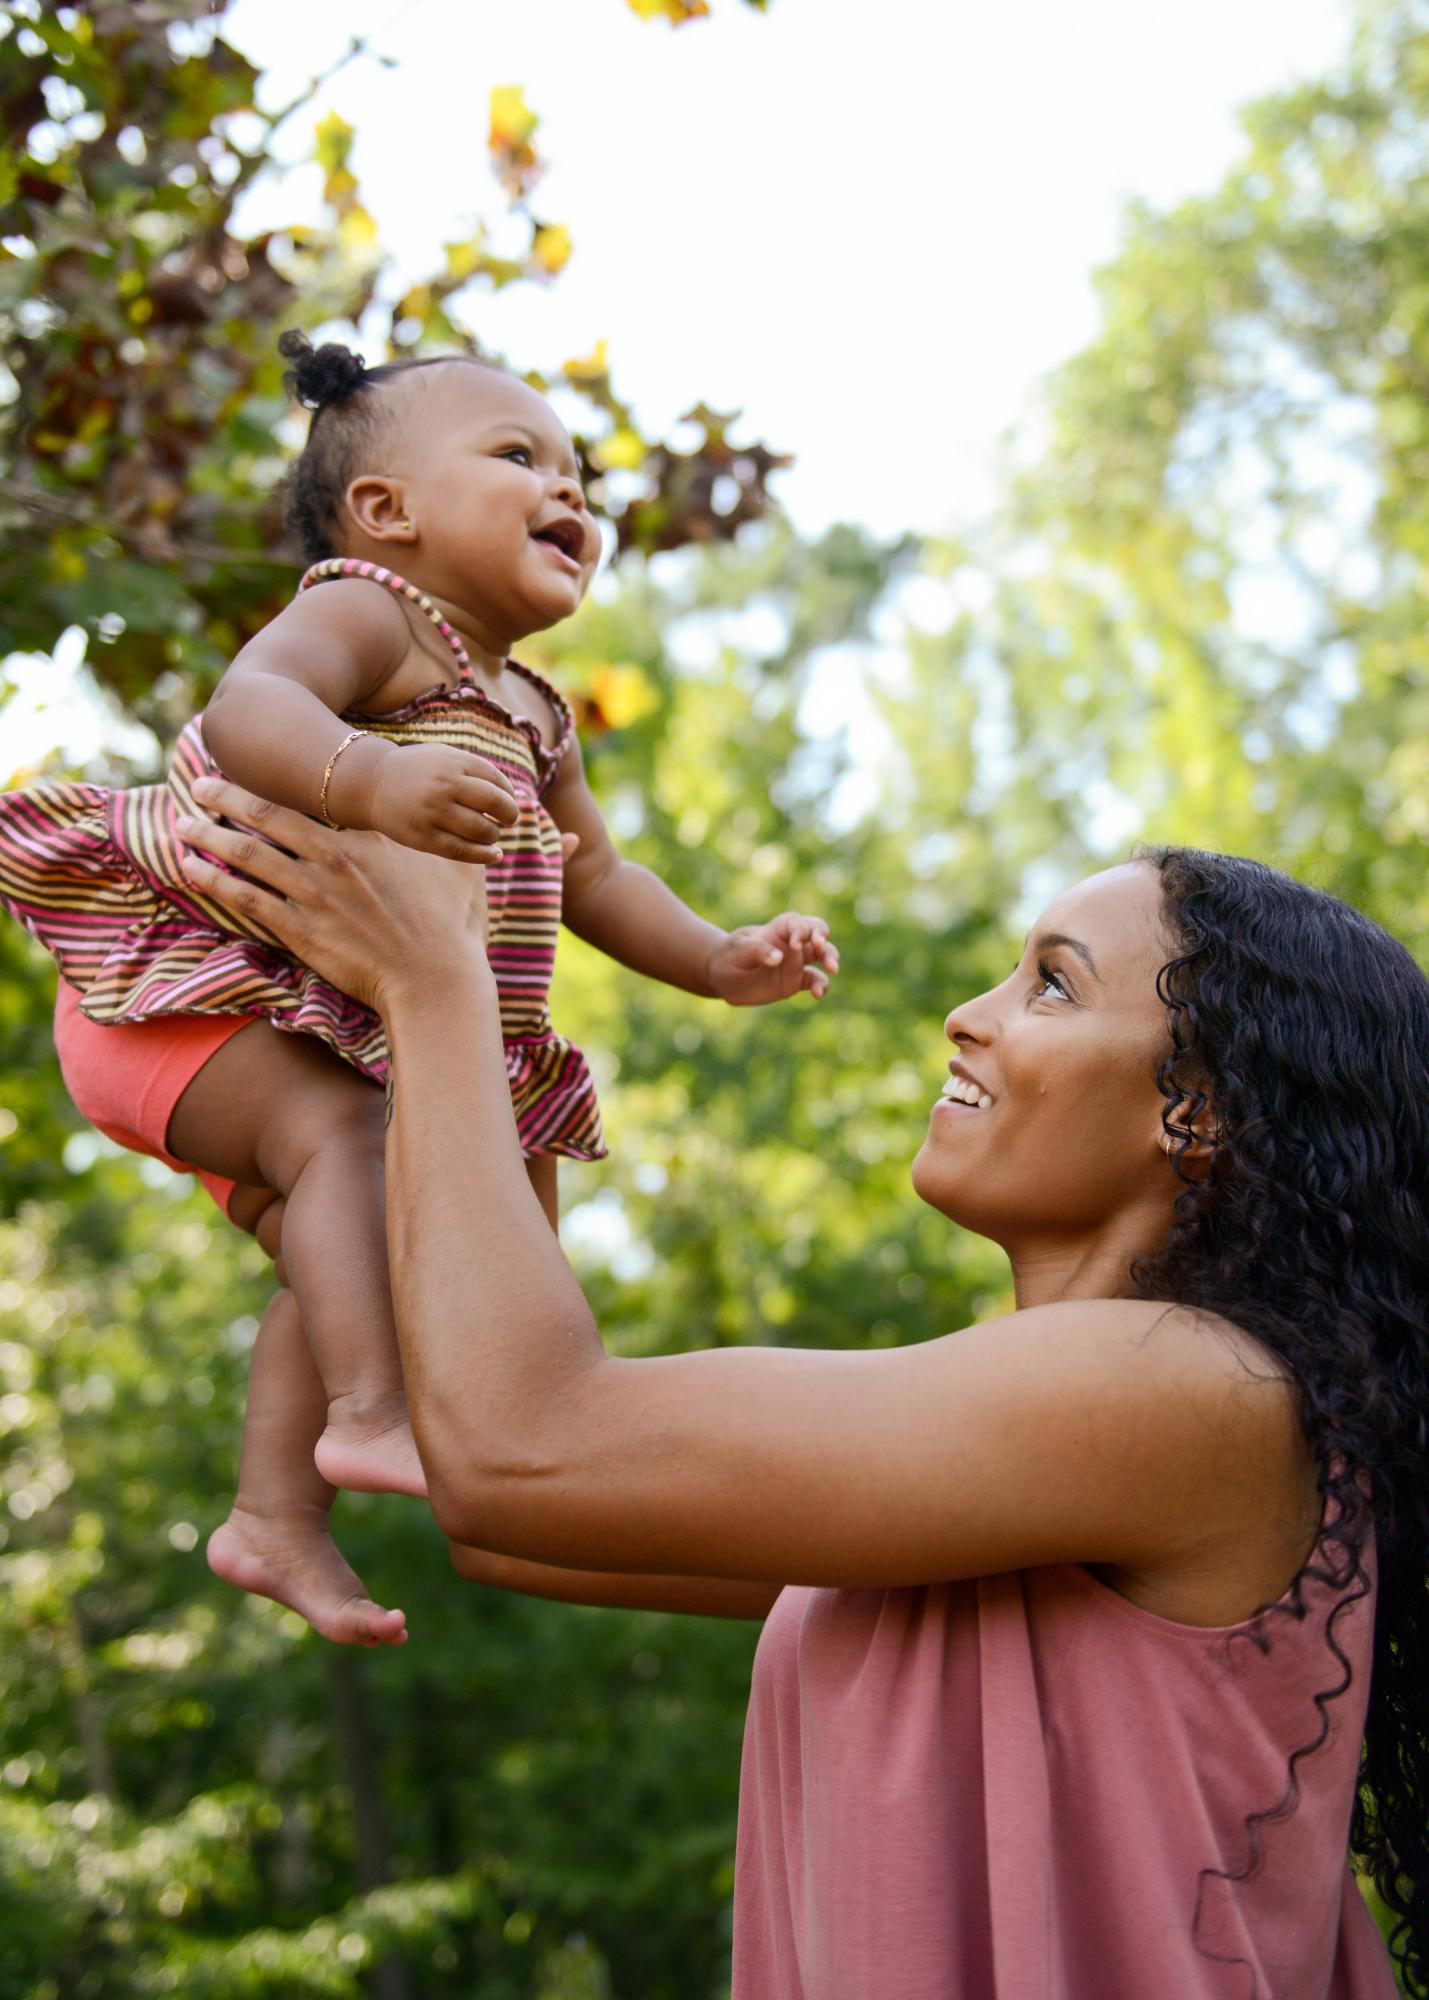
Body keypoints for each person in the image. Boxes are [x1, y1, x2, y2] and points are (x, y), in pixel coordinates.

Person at [175, 784, 1422, 1998]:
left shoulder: (1200, 1386)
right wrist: (331, 1173)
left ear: (1192, 1111)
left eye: (1052, 981)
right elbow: (495, 1501)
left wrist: (435, 981)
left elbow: (526, 1452)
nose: (965, 1014)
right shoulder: (1000, 1482)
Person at [0, 333, 837, 1646]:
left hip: (312, 1032)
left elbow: (597, 874)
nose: (567, 492)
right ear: (384, 512)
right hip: (186, 988)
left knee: (377, 1233)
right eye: (518, 458)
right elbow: (247, 710)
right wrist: (368, 780)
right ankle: (368, 1412)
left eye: (578, 476)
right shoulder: (367, 614)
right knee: (350, 1142)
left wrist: (718, 957)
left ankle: (273, 1519)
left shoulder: (540, 715)